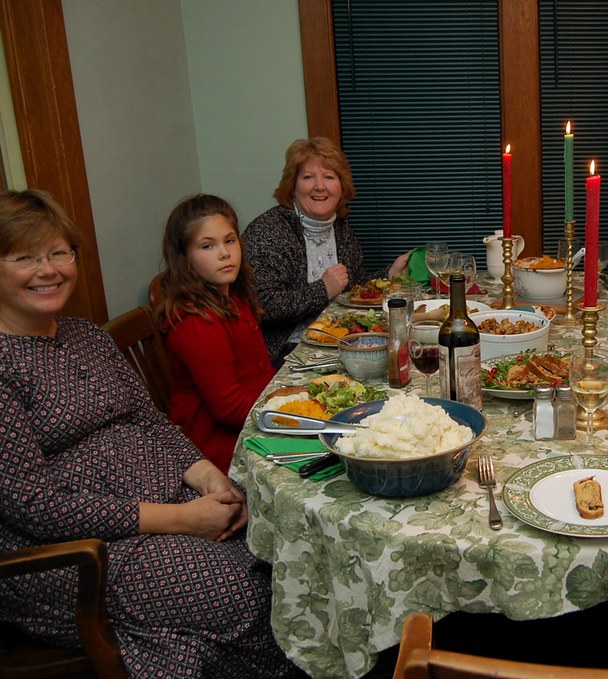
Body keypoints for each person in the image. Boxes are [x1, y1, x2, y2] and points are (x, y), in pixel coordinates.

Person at [0, 189, 300, 677]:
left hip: (174, 502)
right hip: (82, 555)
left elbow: (150, 420)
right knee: (255, 588)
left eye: (59, 252)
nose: (49, 269)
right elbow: (38, 507)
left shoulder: (85, 336)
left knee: (292, 546)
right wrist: (182, 519)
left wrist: (209, 478)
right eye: (25, 257)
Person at [244, 137, 409, 365]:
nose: (319, 186)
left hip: (340, 343)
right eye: (308, 177)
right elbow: (263, 305)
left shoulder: (341, 229)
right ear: (292, 186)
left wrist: (388, 274)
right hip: (289, 353)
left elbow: (350, 287)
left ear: (341, 187)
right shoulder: (268, 231)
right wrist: (323, 290)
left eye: (329, 177)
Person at [157, 194, 275, 475]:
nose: (224, 253)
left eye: (229, 240)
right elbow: (230, 409)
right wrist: (291, 412)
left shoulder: (234, 298)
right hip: (218, 450)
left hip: (252, 420)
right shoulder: (196, 323)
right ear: (184, 258)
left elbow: (258, 374)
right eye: (207, 245)